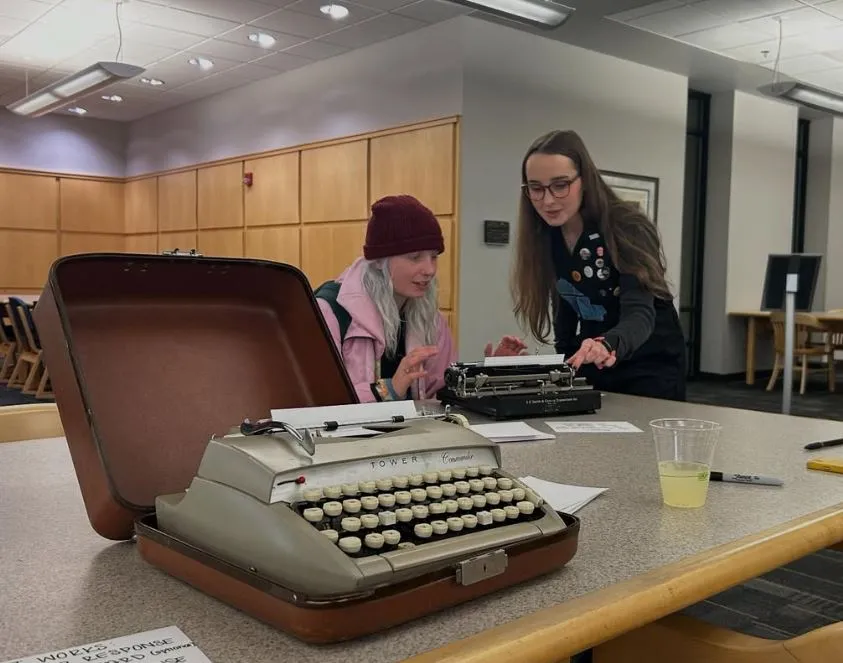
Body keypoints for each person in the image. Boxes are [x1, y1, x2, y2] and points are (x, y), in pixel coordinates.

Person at [510, 130, 687, 401]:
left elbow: (640, 313)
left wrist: (607, 344)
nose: (547, 200)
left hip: (648, 360)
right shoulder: (546, 235)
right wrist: (564, 363)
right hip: (593, 356)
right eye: (536, 188)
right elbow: (565, 304)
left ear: (585, 180)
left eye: (560, 185)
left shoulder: (627, 226)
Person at [316, 194, 526, 403]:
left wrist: (487, 377)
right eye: (415, 257)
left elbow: (441, 395)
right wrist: (388, 389)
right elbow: (313, 401)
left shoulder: (429, 319)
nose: (429, 270)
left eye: (434, 257)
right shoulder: (330, 313)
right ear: (380, 261)